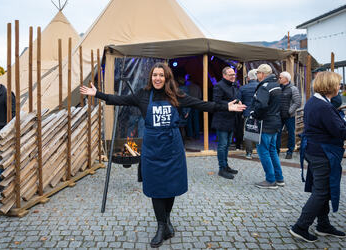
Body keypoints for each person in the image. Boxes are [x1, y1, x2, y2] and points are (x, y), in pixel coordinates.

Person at [80, 62, 245, 248]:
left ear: (167, 78)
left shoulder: (176, 95)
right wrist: (98, 94)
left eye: (161, 75)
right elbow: (120, 100)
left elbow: (201, 104)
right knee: (156, 186)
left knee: (171, 185)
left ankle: (166, 222)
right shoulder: (143, 95)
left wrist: (226, 107)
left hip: (173, 148)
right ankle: (161, 226)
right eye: (154, 75)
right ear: (151, 77)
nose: (157, 78)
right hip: (152, 149)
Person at [290, 71, 346, 242]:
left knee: (323, 189)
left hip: (315, 151)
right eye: (338, 84)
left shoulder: (315, 102)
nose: (340, 87)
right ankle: (300, 227)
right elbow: (340, 131)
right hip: (322, 153)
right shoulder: (323, 106)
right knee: (321, 192)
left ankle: (323, 224)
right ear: (329, 86)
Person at [250, 64, 284, 189]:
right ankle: (279, 178)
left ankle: (270, 180)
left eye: (258, 73)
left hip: (265, 123)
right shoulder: (276, 85)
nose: (257, 75)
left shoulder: (264, 87)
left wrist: (254, 114)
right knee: (272, 150)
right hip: (275, 121)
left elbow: (262, 105)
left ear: (262, 74)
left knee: (263, 151)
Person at [211, 67, 239, 179]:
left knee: (227, 145)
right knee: (222, 145)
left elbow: (234, 98)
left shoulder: (234, 85)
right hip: (222, 120)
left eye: (234, 74)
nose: (233, 76)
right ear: (224, 75)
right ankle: (221, 168)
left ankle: (226, 166)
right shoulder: (219, 86)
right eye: (230, 74)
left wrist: (238, 102)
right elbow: (216, 102)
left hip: (231, 119)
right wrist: (230, 104)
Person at [276, 71, 301, 159]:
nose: (279, 79)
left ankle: (290, 152)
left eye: (280, 77)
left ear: (286, 79)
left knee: (291, 133)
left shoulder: (293, 88)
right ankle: (276, 151)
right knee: (277, 133)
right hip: (279, 115)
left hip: (289, 116)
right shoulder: (278, 88)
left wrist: (290, 111)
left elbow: (297, 102)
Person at [237, 69, 259, 159]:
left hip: (247, 113)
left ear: (249, 78)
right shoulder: (261, 87)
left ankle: (249, 153)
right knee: (259, 132)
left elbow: (239, 101)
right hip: (259, 113)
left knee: (248, 133)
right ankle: (260, 151)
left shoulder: (243, 88)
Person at [185, 74, 202, 140]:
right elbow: (200, 96)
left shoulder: (186, 87)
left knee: (189, 121)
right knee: (196, 120)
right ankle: (197, 135)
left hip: (188, 105)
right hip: (196, 104)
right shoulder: (197, 87)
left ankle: (190, 135)